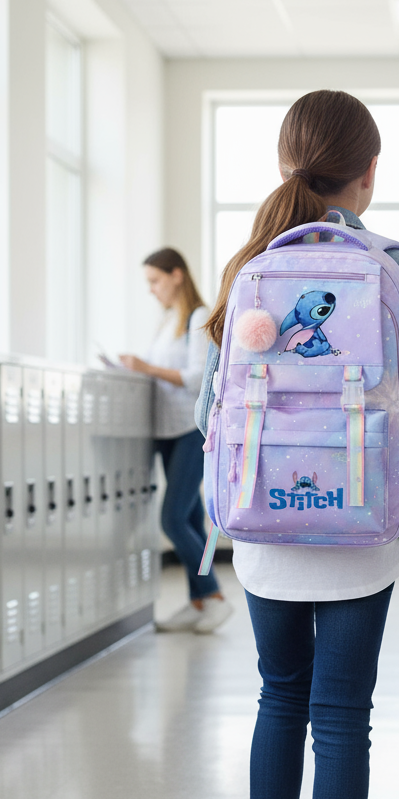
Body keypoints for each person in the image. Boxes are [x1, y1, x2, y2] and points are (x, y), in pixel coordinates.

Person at [195, 90, 399, 799]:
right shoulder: (395, 263)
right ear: (369, 171)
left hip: (265, 528)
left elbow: (211, 412)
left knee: (279, 695)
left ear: (288, 164)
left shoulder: (250, 266)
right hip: (360, 522)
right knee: (342, 717)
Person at [120, 248, 233, 634]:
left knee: (171, 518)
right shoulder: (167, 320)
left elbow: (197, 376)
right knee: (187, 518)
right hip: (163, 430)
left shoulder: (198, 317)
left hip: (189, 430)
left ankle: (214, 596)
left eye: (155, 280)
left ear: (177, 275)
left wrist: (146, 367)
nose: (151, 290)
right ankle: (199, 601)